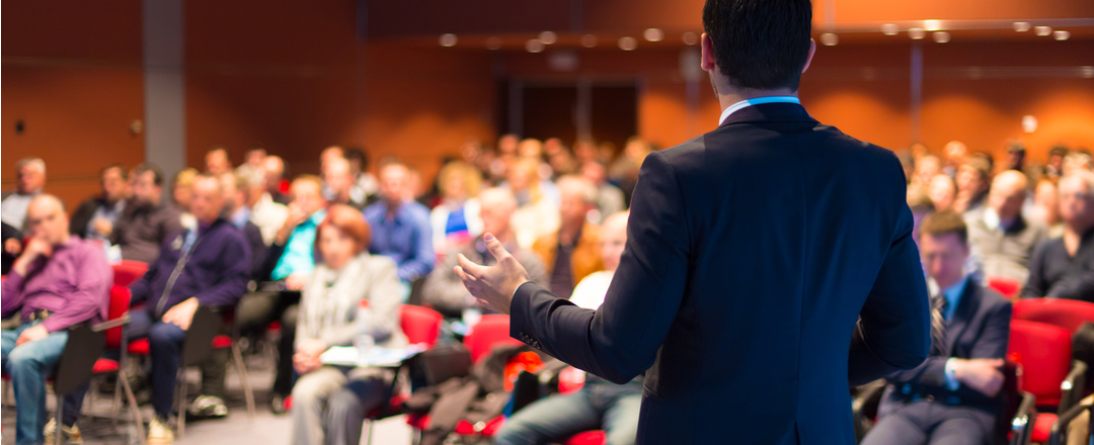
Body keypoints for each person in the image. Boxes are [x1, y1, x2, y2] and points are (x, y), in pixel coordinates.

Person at [452, 0, 932, 442]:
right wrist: (805, 372)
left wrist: (520, 298)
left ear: (707, 51)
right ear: (807, 55)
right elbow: (906, 344)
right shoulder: (875, 170)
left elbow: (618, 349)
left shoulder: (678, 175)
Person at [861, 211, 1011, 445]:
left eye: (947, 256)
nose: (939, 266)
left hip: (964, 412)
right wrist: (956, 369)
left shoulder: (994, 306)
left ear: (966, 251)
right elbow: (892, 369)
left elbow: (987, 382)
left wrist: (920, 370)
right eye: (931, 256)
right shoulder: (906, 300)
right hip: (907, 405)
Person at [496, 211, 641, 445]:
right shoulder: (593, 282)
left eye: (616, 243)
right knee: (510, 433)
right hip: (590, 389)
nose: (607, 252)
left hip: (632, 391)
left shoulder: (649, 291)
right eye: (603, 244)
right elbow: (562, 333)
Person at [126, 174, 252, 443]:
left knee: (162, 336)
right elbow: (152, 276)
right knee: (106, 329)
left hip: (201, 318)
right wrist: (122, 299)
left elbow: (236, 285)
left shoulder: (231, 238)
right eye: (195, 196)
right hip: (154, 310)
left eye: (207, 198)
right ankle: (70, 418)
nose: (199, 203)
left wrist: (197, 303)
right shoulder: (179, 235)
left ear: (220, 202)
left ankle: (163, 418)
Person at [289, 205, 406, 445]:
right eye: (327, 240)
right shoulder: (316, 276)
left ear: (357, 240)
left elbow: (381, 323)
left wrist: (324, 341)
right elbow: (303, 325)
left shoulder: (378, 268)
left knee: (344, 402)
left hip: (372, 366)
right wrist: (303, 353)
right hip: (329, 365)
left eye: (342, 239)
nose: (333, 247)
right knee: (304, 392)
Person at [1, 195, 111, 445]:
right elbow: (4, 308)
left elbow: (89, 298)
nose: (42, 227)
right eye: (36, 222)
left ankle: (29, 442)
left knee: (22, 358)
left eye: (49, 219)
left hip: (74, 333)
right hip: (29, 327)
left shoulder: (88, 252)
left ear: (63, 219)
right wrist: (24, 262)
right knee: (22, 352)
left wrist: (45, 327)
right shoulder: (35, 259)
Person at [239, 175, 328, 413]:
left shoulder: (327, 226)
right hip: (276, 289)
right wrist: (282, 233)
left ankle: (283, 390)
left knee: (292, 322)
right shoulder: (286, 225)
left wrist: (310, 278)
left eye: (308, 198)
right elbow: (262, 271)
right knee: (241, 314)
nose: (301, 203)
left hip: (309, 294)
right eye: (296, 198)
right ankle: (211, 390)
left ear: (321, 201)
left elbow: (334, 267)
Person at [423, 188, 548, 319]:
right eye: (481, 213)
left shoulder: (529, 261)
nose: (483, 218)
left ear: (510, 212)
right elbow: (432, 291)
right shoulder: (461, 252)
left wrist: (483, 292)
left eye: (489, 212)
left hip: (505, 333)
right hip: (457, 329)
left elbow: (537, 306)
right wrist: (475, 294)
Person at [964, 170, 1048, 284]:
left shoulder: (1036, 230)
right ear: (991, 192)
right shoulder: (969, 222)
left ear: (1022, 200)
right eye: (998, 195)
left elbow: (1040, 274)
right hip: (978, 294)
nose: (1001, 203)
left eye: (1010, 199)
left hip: (1018, 294)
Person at [1022, 171, 1094, 300]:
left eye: (1079, 195)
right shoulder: (1047, 247)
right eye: (1065, 196)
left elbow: (1089, 283)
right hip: (1047, 317)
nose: (1071, 201)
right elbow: (1032, 290)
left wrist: (1054, 298)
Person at [363, 161, 435, 284]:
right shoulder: (369, 215)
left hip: (404, 279)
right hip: (372, 277)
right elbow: (361, 253)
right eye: (387, 183)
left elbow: (426, 261)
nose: (392, 188)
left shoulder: (420, 216)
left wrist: (394, 276)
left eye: (398, 183)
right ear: (380, 185)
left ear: (407, 185)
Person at [533, 176, 603, 299]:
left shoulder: (599, 241)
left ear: (586, 208)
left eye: (570, 203)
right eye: (561, 201)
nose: (563, 207)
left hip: (580, 306)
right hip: (546, 303)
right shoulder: (542, 242)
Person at [113, 163, 183, 263]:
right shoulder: (130, 212)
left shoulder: (170, 216)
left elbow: (170, 256)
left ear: (158, 188)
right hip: (120, 269)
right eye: (134, 184)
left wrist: (119, 255)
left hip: (150, 274)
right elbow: (114, 241)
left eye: (143, 185)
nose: (136, 191)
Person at [430, 161, 484, 253]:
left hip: (474, 254)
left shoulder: (477, 206)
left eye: (459, 180)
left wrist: (458, 241)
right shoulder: (438, 212)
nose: (454, 184)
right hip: (447, 257)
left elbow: (480, 234)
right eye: (451, 180)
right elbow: (435, 243)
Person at [507, 158, 560, 249]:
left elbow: (550, 233)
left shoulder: (543, 205)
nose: (516, 184)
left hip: (534, 252)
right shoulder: (506, 201)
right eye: (514, 179)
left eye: (521, 180)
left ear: (532, 181)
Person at [70, 164, 131, 241]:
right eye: (103, 182)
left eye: (112, 182)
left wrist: (111, 232)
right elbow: (71, 234)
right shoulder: (89, 206)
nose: (106, 187)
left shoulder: (134, 211)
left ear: (126, 184)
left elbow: (136, 242)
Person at [243, 169, 289, 245]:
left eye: (247, 190)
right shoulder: (235, 213)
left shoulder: (281, 213)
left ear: (261, 187)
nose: (243, 194)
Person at [1, 157, 47, 231]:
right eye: (21, 176)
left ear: (42, 177)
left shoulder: (48, 203)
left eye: (30, 175)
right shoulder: (4, 197)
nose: (24, 179)